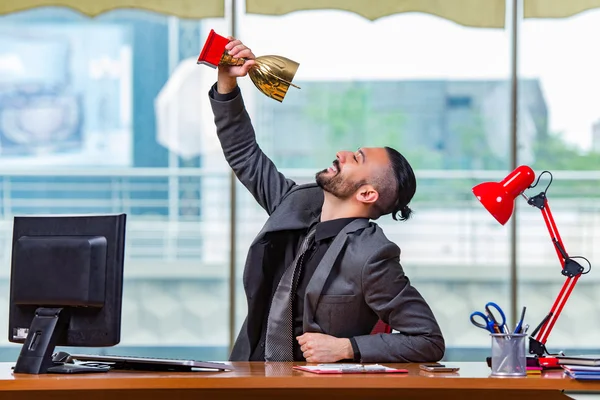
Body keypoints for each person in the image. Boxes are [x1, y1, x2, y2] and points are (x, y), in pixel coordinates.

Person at [208, 37, 445, 363]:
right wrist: (227, 82)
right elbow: (244, 154)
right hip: (249, 371)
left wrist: (348, 347)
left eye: (357, 158)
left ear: (366, 194)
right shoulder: (294, 203)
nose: (341, 153)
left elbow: (428, 340)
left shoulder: (372, 255)